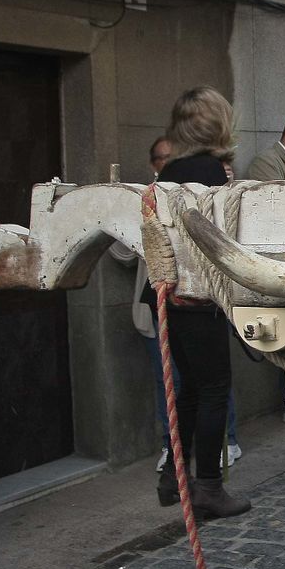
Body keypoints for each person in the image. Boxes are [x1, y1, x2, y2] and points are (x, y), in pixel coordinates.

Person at [145, 87, 251, 520]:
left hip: (170, 299)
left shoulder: (168, 172)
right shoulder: (211, 171)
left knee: (187, 391)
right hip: (200, 297)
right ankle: (208, 484)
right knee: (212, 390)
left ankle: (175, 474)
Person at [113, 136, 240, 470]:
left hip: (180, 296)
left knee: (195, 388)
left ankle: (181, 468)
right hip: (185, 296)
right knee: (200, 388)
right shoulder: (194, 174)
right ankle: (198, 474)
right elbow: (124, 252)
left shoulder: (182, 176)